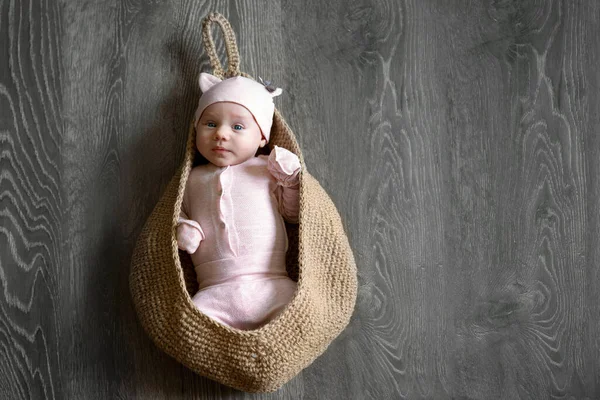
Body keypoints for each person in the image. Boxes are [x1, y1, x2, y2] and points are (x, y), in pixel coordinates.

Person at [176, 72, 300, 330]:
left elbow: (293, 215)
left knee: (298, 316)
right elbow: (177, 212)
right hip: (214, 291)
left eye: (238, 127)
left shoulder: (267, 168)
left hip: (272, 283)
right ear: (196, 128)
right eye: (210, 124)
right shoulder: (191, 179)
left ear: (262, 138)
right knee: (188, 326)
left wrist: (290, 181)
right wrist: (181, 227)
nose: (221, 134)